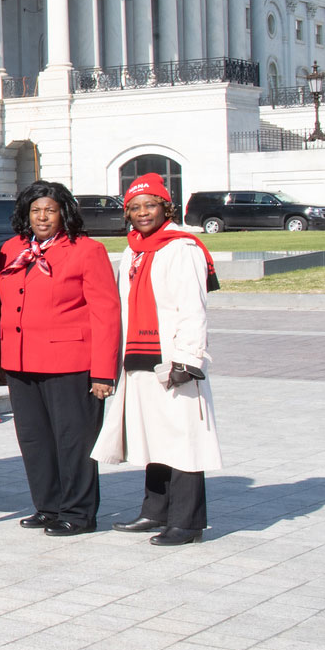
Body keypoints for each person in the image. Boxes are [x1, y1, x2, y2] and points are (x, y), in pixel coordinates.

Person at [94, 175, 222, 547]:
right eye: (134, 207)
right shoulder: (135, 249)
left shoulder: (182, 248)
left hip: (173, 360)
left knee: (183, 440)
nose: (142, 213)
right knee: (154, 438)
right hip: (137, 358)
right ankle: (155, 510)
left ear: (166, 207)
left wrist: (187, 359)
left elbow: (193, 308)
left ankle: (187, 522)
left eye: (150, 205)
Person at [0, 180, 121, 537]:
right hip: (21, 362)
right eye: (35, 210)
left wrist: (103, 373)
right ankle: (48, 505)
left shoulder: (87, 250)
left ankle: (79, 512)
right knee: (35, 440)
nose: (42, 217)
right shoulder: (11, 249)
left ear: (64, 213)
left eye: (50, 210)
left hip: (71, 363)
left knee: (74, 441)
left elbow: (106, 313)